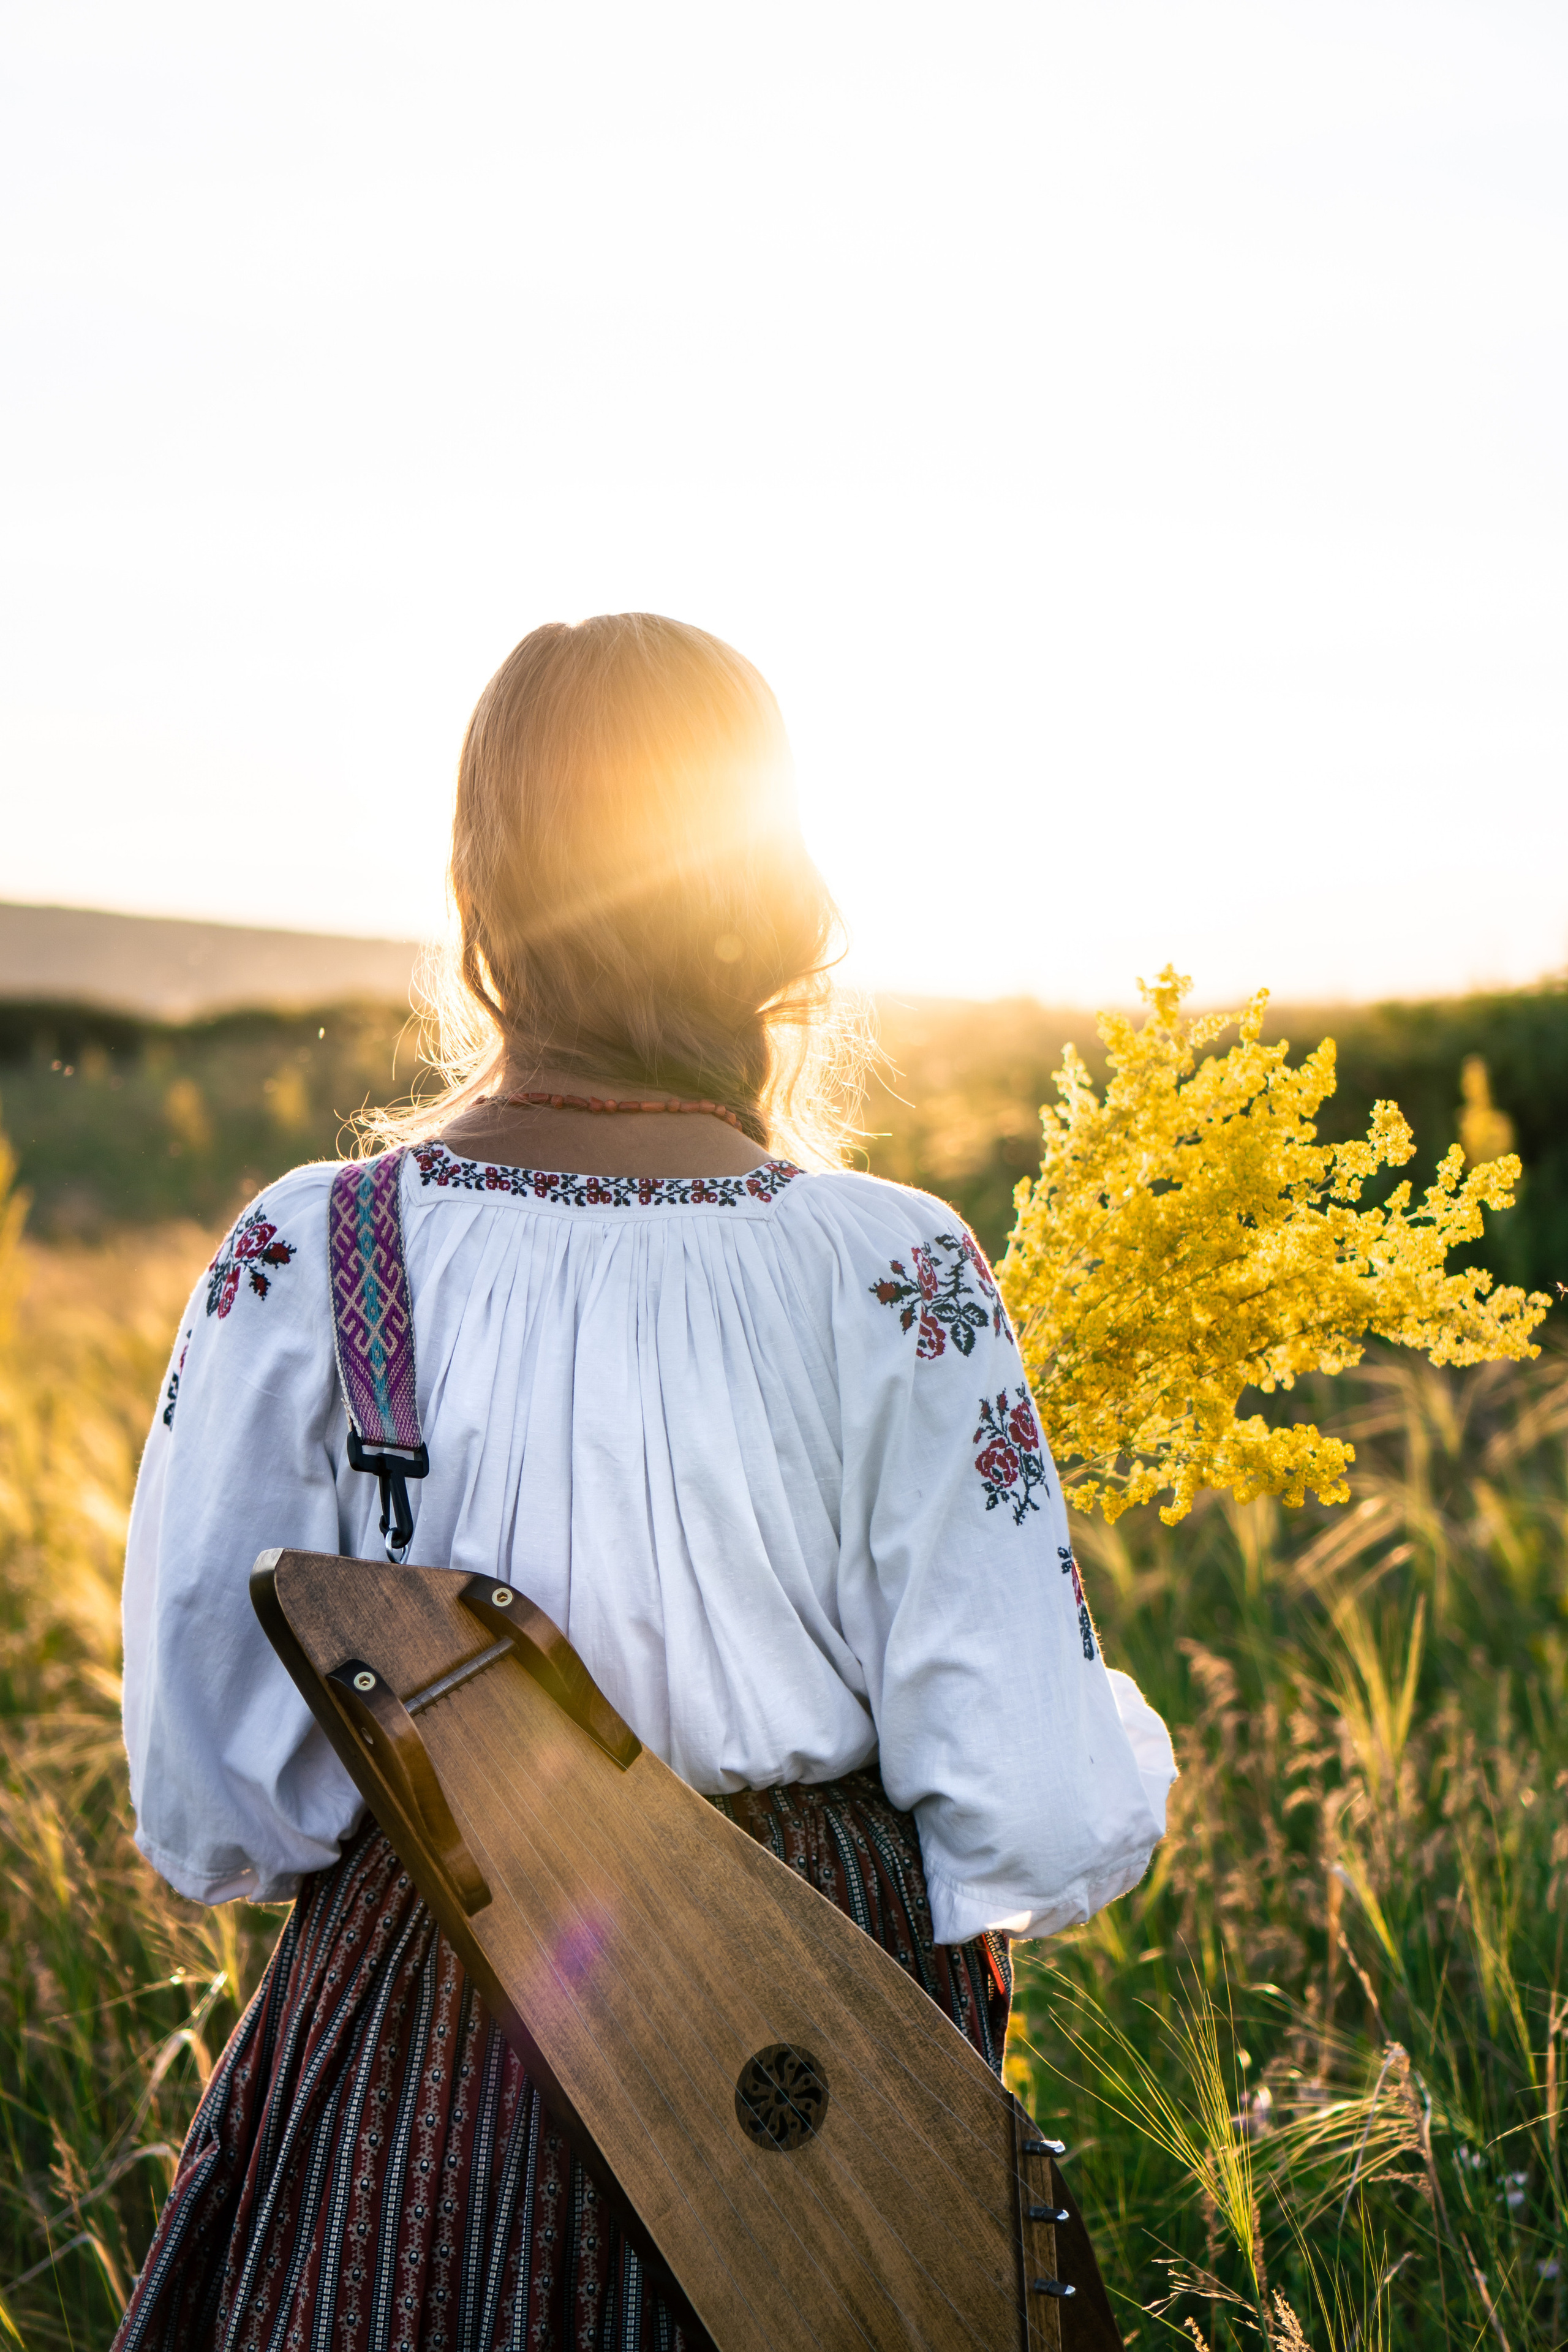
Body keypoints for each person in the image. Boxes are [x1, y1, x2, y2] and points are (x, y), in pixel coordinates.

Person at [115, 614, 1176, 2352]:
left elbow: (213, 1795)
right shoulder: (893, 1266)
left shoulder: (312, 1252)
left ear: (481, 896)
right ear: (770, 901)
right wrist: (1116, 1740)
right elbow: (1033, 1812)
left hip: (421, 2039)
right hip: (817, 2092)